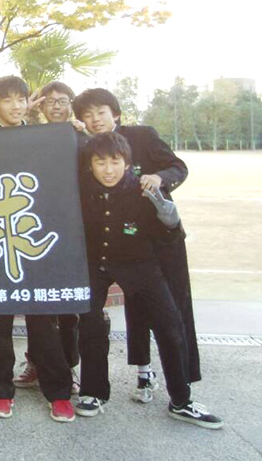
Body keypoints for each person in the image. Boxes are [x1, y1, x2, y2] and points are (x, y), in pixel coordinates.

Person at [75, 132, 222, 429]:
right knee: (90, 323)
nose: (108, 169)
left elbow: (168, 240)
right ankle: (93, 392)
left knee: (170, 326)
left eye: (115, 162)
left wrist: (171, 221)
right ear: (90, 165)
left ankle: (181, 400)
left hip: (140, 265)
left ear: (127, 163)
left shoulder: (144, 191)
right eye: (100, 162)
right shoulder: (82, 190)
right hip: (96, 265)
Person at [73, 87, 198, 400]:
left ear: (115, 113)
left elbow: (178, 167)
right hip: (105, 250)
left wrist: (160, 180)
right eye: (87, 115)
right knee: (92, 318)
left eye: (100, 112)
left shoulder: (142, 135)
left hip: (153, 236)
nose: (94, 119)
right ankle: (113, 384)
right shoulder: (84, 147)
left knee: (170, 314)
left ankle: (180, 391)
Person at [0, 76, 76, 422]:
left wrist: (75, 130)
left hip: (31, 238)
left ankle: (58, 391)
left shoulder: (43, 136)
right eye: (7, 100)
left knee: (43, 319)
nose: (15, 107)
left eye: (20, 99)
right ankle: (0, 388)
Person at [14, 80, 82, 392]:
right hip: (35, 226)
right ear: (40, 106)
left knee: (68, 306)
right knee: (37, 302)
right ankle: (35, 361)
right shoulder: (29, 134)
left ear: (71, 104)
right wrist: (25, 112)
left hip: (72, 229)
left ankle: (68, 366)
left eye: (62, 100)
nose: (56, 106)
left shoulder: (80, 135)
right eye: (49, 101)